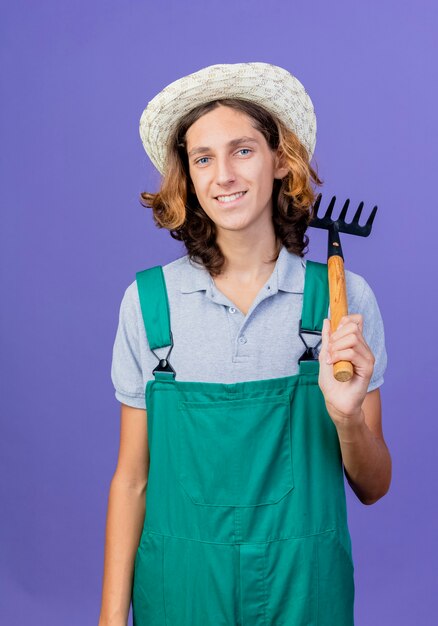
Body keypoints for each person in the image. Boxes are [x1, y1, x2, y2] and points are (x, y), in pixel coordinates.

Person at [98, 62, 391, 626]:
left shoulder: (340, 303)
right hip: (180, 591)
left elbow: (374, 486)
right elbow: (132, 479)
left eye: (243, 150)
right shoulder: (149, 304)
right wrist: (112, 620)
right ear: (188, 174)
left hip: (305, 591)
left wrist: (346, 416)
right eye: (203, 157)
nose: (223, 174)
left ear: (281, 160)